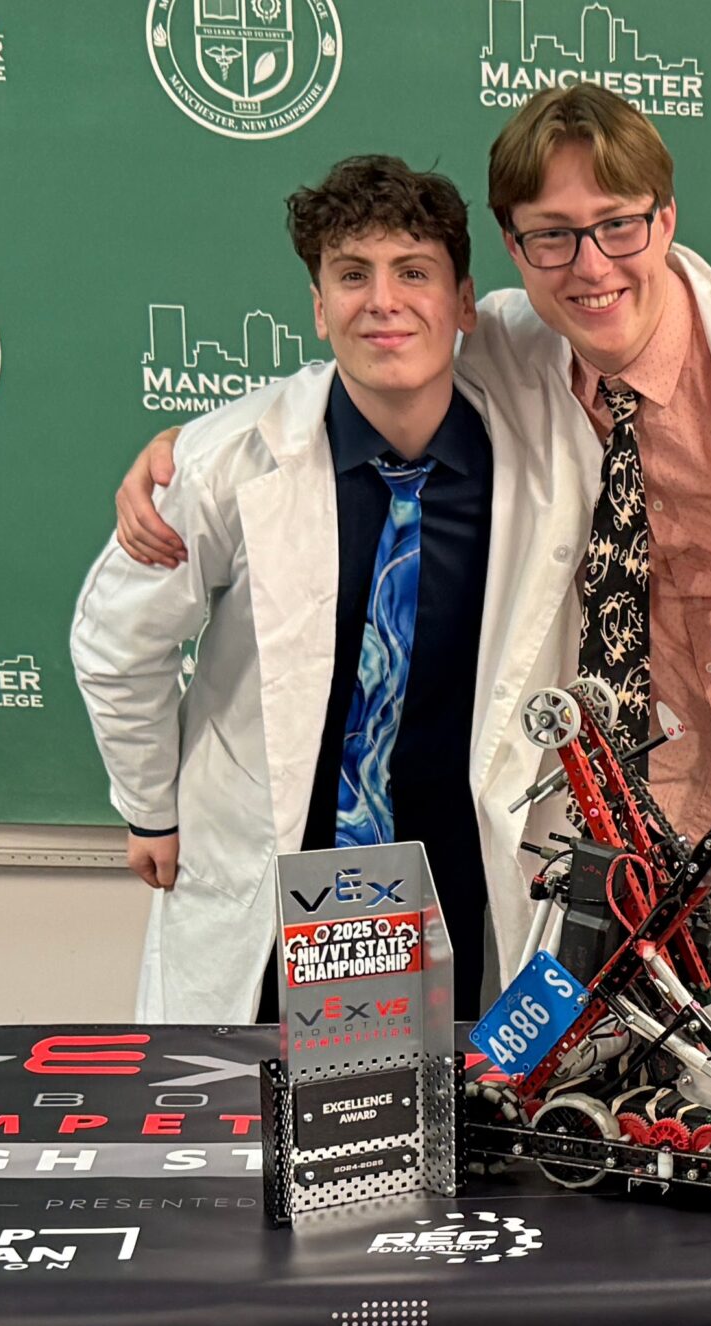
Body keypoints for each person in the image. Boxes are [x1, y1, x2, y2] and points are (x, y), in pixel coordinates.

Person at [112, 86, 711, 1008]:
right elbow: (379, 350)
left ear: (666, 218)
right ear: (515, 252)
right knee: (651, 1117)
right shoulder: (520, 342)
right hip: (632, 826)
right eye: (551, 236)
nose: (590, 265)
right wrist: (190, 457)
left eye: (617, 224)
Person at [72, 155, 517, 1021]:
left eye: (414, 272)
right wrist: (150, 807)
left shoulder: (534, 450)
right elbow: (118, 640)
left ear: (465, 302)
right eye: (352, 276)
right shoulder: (222, 461)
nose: (383, 301)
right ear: (319, 308)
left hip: (460, 873)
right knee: (256, 1126)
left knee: (445, 1132)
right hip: (282, 875)